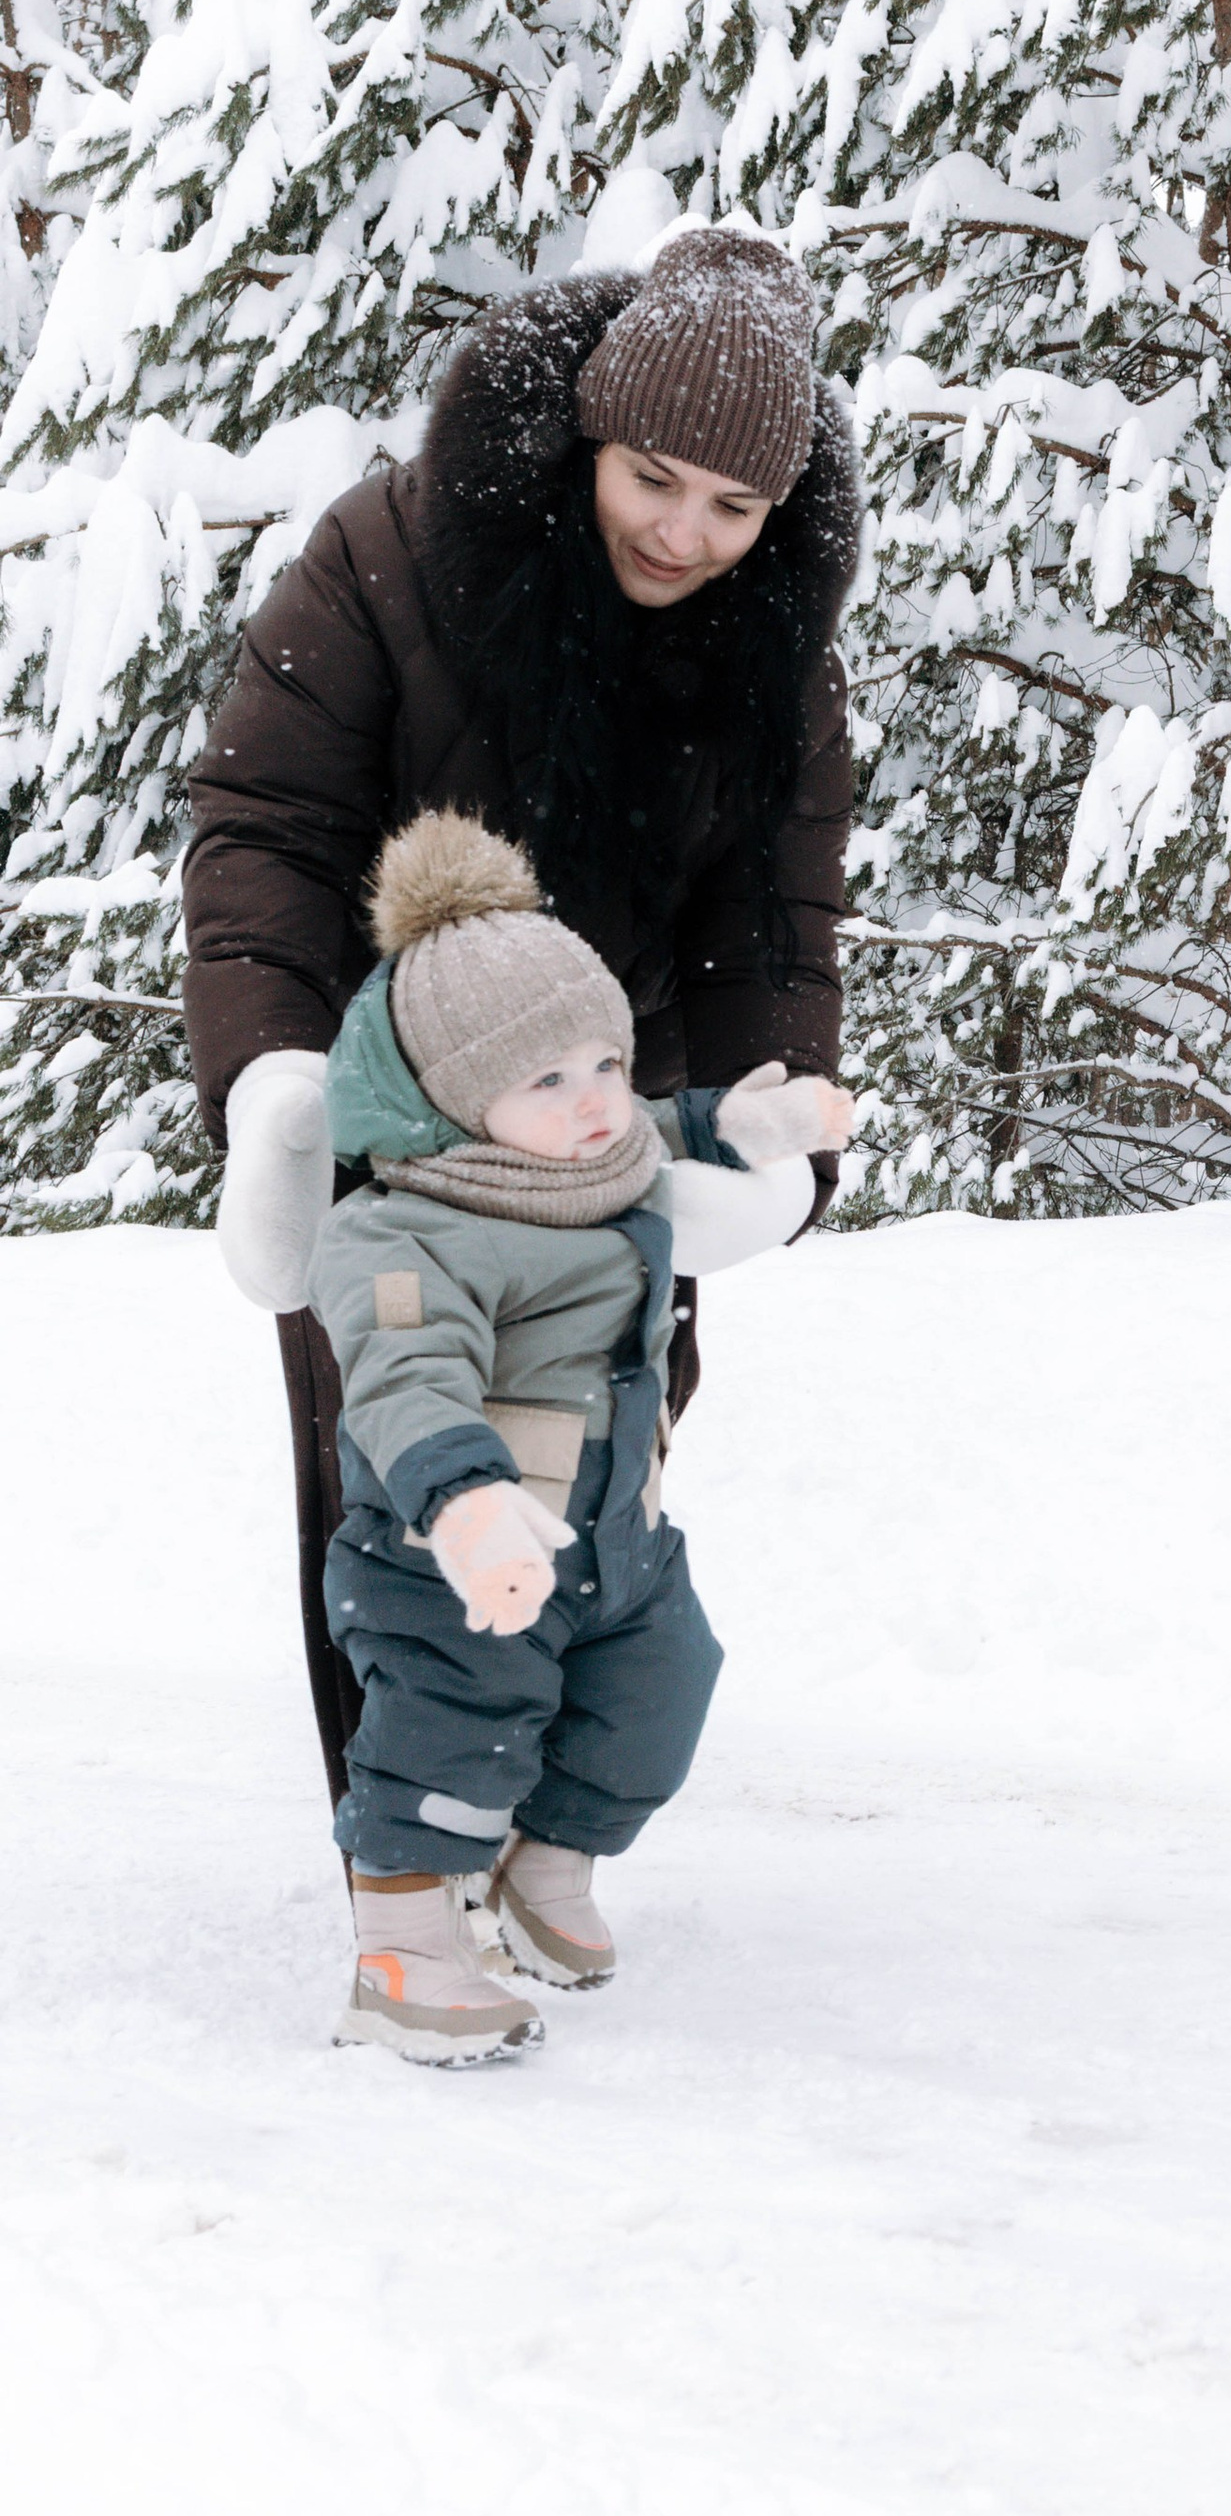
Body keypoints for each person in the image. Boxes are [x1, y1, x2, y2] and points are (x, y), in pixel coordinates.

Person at [181, 227, 860, 1815]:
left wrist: (768, 1137)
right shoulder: (386, 555)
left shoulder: (784, 666)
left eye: (735, 507)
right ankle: (411, 1855)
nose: (688, 533)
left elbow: (774, 925)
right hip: (393, 1134)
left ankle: (537, 1834)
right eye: (654, 478)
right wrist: (278, 1087)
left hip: (607, 1148)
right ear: (585, 435)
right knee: (406, 1495)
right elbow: (263, 827)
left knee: (591, 1503)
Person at [311, 812, 853, 2065]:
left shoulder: (585, 1162)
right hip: (460, 1549)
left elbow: (653, 1129)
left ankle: (540, 1873)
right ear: (454, 1099)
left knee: (664, 1690)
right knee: (454, 1726)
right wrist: (462, 1502)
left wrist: (741, 1125)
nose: (598, 1102)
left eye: (604, 1060)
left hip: (618, 1534)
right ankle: (403, 1953)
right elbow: (403, 1373)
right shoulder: (408, 1229)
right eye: (546, 1080)